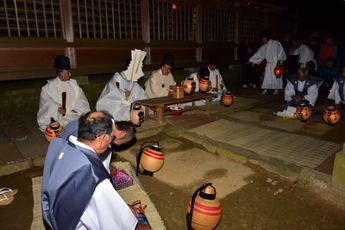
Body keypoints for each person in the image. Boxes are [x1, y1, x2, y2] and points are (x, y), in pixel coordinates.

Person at [42, 112, 151, 230]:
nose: (112, 140)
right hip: (70, 225)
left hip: (52, 212)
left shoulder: (57, 144)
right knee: (140, 222)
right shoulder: (95, 178)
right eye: (111, 136)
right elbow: (113, 222)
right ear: (101, 139)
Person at [59, 111, 136, 172]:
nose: (120, 145)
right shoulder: (104, 138)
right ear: (122, 134)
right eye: (124, 143)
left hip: (60, 149)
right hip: (69, 161)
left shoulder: (102, 120)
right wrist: (107, 171)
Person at [37, 55, 90, 131]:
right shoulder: (47, 88)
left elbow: (82, 102)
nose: (70, 74)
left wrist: (70, 111)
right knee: (59, 126)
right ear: (60, 72)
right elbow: (44, 108)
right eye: (67, 72)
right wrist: (57, 108)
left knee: (84, 122)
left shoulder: (74, 86)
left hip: (73, 115)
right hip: (57, 118)